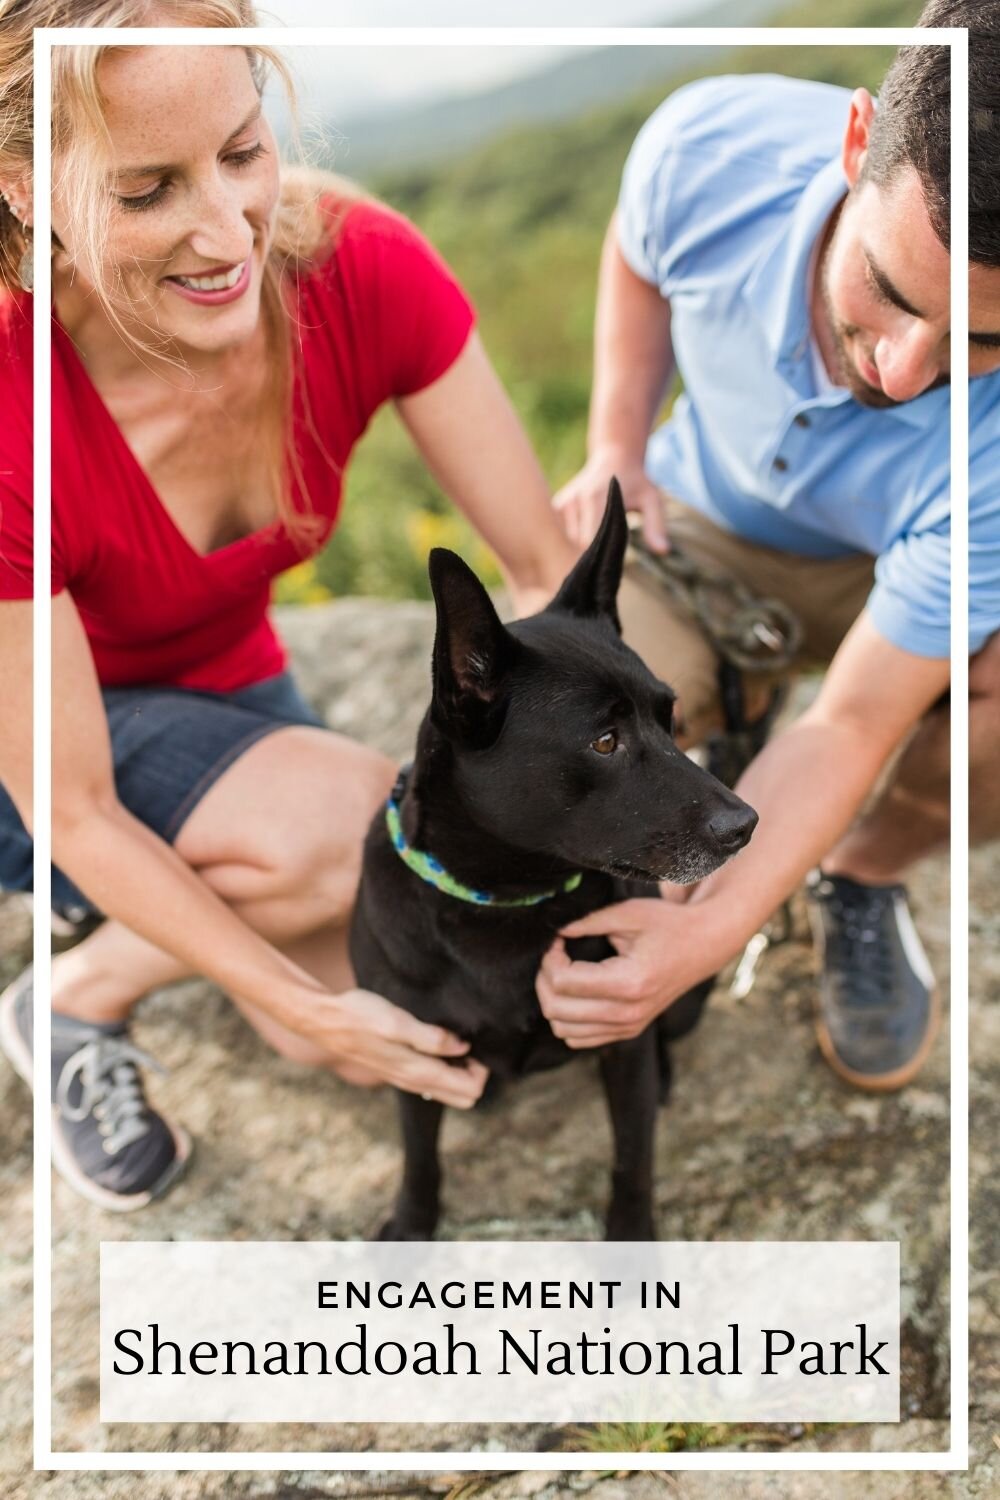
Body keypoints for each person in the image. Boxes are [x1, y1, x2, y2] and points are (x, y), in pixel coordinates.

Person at [0, 0, 583, 1209]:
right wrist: (275, 980)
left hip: (212, 684)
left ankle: (176, 912)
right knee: (357, 834)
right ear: (24, 187)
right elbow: (78, 808)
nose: (227, 232)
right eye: (147, 187)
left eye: (242, 151)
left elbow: (538, 567)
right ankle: (69, 998)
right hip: (36, 765)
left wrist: (621, 833)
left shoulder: (360, 269)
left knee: (390, 1025)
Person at [536, 0, 1000, 1090]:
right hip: (697, 526)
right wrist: (615, 436)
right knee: (554, 718)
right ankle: (721, 742)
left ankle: (860, 872)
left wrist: (714, 934)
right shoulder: (709, 149)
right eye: (887, 292)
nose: (903, 372)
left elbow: (849, 721)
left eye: (984, 340)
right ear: (852, 147)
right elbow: (635, 249)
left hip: (901, 572)